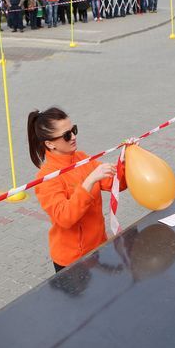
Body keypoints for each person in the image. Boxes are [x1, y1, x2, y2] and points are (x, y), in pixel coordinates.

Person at [28, 108, 126, 272]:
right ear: (49, 143)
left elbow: (117, 183)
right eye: (66, 135)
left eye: (74, 130)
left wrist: (128, 159)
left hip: (98, 248)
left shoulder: (81, 158)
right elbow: (65, 217)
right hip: (72, 262)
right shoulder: (46, 178)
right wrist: (89, 181)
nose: (73, 137)